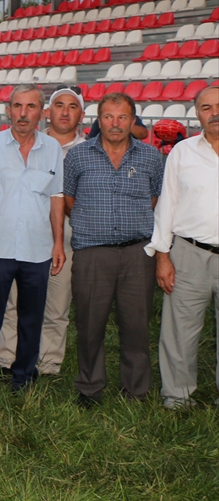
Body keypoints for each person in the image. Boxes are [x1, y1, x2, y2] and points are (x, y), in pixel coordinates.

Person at [62, 92, 162, 406]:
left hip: (137, 253)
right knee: (90, 324)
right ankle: (90, 388)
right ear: (98, 120)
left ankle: (136, 391)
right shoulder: (78, 156)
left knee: (136, 324)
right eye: (108, 117)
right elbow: (69, 200)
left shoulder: (150, 157)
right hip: (93, 253)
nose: (115, 124)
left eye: (122, 117)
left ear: (133, 121)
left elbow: (155, 199)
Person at [0, 85, 66, 407]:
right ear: (8, 110)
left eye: (31, 107)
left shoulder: (52, 148)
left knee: (31, 318)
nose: (24, 113)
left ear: (42, 112)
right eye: (18, 106)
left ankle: (23, 377)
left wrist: (58, 243)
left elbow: (56, 197)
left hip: (38, 249)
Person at [0, 85, 87, 375]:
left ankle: (48, 363)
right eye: (59, 105)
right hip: (23, 237)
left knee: (57, 307)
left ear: (81, 115)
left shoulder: (89, 151)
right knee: (13, 302)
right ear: (47, 112)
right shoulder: (29, 143)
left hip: (69, 239)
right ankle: (7, 359)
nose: (65, 111)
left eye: (72, 107)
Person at [147, 86, 219, 409]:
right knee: (179, 332)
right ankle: (177, 397)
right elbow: (167, 206)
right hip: (189, 253)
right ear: (197, 114)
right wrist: (163, 256)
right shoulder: (183, 152)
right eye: (206, 108)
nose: (214, 112)